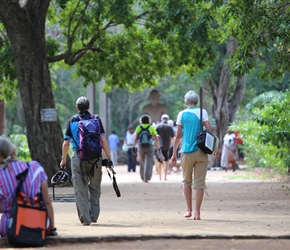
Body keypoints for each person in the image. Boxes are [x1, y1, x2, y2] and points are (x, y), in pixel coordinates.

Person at [60, 96, 112, 226]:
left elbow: (66, 142)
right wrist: (109, 158)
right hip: (95, 158)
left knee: (80, 189)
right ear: (89, 107)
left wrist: (63, 159)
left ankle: (86, 219)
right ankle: (94, 215)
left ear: (77, 107)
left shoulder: (72, 121)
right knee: (94, 187)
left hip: (78, 157)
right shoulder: (96, 119)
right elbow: (103, 140)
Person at [171, 90, 216, 220]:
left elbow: (178, 136)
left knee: (186, 182)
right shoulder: (202, 112)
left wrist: (174, 154)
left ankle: (188, 210)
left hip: (186, 151)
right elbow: (210, 129)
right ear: (196, 101)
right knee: (199, 184)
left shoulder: (181, 114)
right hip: (201, 151)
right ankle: (197, 213)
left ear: (186, 101)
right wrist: (214, 148)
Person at [0, 137, 57, 237]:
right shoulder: (35, 167)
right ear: (14, 152)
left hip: (10, 228)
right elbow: (47, 201)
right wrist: (52, 229)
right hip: (37, 225)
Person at [133, 115, 161, 182]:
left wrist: (134, 146)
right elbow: (156, 137)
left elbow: (135, 137)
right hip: (149, 146)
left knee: (142, 162)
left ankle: (142, 177)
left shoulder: (139, 127)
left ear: (141, 121)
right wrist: (158, 146)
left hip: (141, 146)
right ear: (149, 121)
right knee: (149, 162)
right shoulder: (151, 127)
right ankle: (147, 177)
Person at [156, 114, 175, 180]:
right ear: (167, 119)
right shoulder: (169, 127)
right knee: (166, 160)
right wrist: (171, 144)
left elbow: (154, 136)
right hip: (167, 146)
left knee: (159, 161)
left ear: (161, 119)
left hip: (159, 146)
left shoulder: (158, 126)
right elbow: (173, 137)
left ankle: (160, 176)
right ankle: (165, 177)